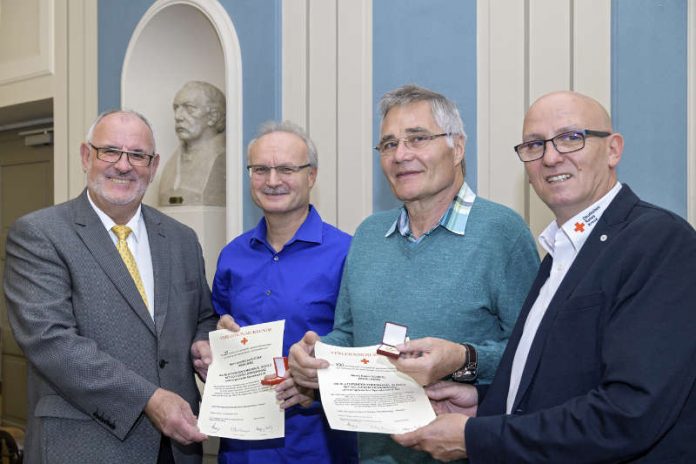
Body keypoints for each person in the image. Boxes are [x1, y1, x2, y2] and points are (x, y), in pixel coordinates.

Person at [391, 91, 696, 463]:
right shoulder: (560, 251)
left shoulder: (658, 240)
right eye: (535, 145)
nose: (551, 157)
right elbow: (556, 382)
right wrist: (483, 407)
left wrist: (478, 437)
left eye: (571, 138)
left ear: (613, 149)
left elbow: (629, 414)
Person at [287, 84, 540, 463]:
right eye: (388, 144)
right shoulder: (370, 234)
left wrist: (462, 361)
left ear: (457, 147)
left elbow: (535, 355)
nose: (401, 155)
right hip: (375, 453)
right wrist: (315, 355)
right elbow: (351, 333)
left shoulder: (502, 232)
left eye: (417, 139)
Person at [4, 110, 218, 464]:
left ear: (153, 165)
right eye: (110, 151)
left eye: (137, 155)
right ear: (87, 156)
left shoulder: (181, 239)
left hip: (177, 448)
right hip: (84, 446)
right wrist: (149, 398)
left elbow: (203, 316)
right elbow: (51, 342)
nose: (124, 165)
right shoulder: (40, 234)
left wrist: (204, 343)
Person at [212, 121, 358, 463]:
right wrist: (218, 340)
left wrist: (315, 382)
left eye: (287, 169)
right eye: (261, 169)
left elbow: (361, 343)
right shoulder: (232, 255)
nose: (273, 180)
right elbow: (215, 322)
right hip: (241, 444)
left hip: (317, 444)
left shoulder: (348, 253)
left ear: (312, 176)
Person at [159, 80, 226, 206]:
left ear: (213, 116)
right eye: (176, 108)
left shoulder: (222, 159)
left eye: (189, 108)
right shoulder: (170, 165)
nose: (178, 116)